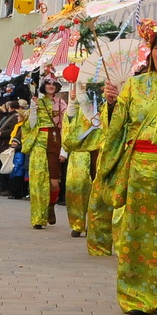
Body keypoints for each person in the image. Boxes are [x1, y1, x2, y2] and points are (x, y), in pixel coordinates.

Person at [102, 23, 157, 314]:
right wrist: (111, 105)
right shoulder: (135, 85)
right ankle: (137, 296)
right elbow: (117, 129)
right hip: (141, 166)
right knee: (138, 233)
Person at [63, 76, 104, 249]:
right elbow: (69, 122)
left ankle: (97, 225)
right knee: (76, 185)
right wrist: (73, 101)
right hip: (80, 150)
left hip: (100, 148)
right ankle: (77, 223)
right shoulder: (79, 103)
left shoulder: (105, 103)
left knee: (99, 188)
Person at [22, 75, 66, 227]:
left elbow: (66, 125)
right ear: (43, 85)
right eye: (48, 83)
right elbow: (32, 125)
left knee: (54, 182)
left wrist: (64, 150)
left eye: (54, 83)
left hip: (54, 141)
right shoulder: (37, 102)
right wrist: (33, 110)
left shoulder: (61, 103)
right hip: (39, 142)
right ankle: (38, 218)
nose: (51, 86)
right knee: (38, 181)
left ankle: (51, 205)